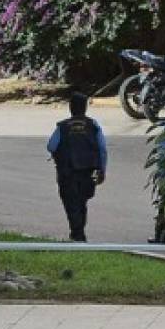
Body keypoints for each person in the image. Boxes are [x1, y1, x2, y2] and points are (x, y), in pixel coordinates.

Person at [47, 92, 107, 242]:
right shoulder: (93, 125)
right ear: (85, 108)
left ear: (70, 108)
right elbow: (102, 149)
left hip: (67, 172)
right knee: (81, 201)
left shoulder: (62, 127)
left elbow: (51, 146)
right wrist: (102, 170)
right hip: (89, 171)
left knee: (71, 202)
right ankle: (78, 231)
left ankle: (77, 233)